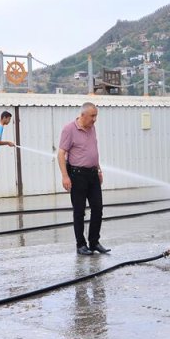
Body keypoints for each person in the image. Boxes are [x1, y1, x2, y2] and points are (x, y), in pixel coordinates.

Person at [57, 102, 111, 256]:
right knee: (79, 211)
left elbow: (93, 150)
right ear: (83, 115)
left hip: (93, 175)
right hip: (77, 175)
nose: (95, 119)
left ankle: (94, 242)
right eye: (92, 116)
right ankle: (81, 245)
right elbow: (61, 154)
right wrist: (65, 176)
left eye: (96, 116)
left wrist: (98, 169)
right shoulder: (69, 129)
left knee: (98, 208)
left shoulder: (92, 128)